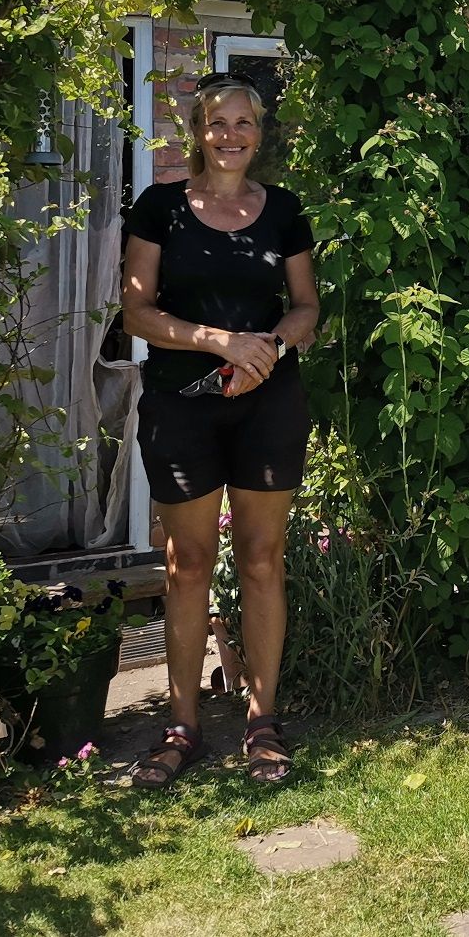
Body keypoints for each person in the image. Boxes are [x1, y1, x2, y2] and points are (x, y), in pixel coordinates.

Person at [119, 73, 318, 788]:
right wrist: (216, 340)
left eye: (244, 123)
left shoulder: (283, 210)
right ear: (197, 132)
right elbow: (137, 313)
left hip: (268, 402)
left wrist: (270, 350)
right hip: (182, 404)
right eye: (217, 123)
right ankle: (183, 727)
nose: (230, 136)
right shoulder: (161, 208)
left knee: (263, 558)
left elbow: (305, 307)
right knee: (188, 563)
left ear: (259, 134)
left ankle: (263, 722)